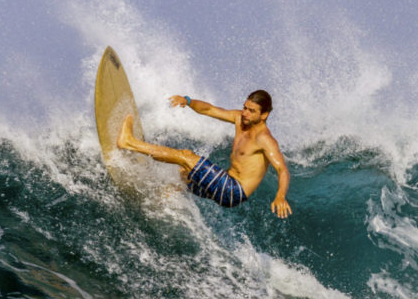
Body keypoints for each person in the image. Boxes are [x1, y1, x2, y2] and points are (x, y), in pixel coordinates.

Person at [117, 90, 291, 217]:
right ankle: (159, 201)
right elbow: (209, 110)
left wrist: (280, 196)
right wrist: (188, 100)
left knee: (185, 157)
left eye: (251, 111)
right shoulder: (240, 119)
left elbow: (282, 169)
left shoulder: (265, 139)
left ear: (264, 115)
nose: (245, 113)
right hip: (225, 182)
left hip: (233, 191)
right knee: (184, 172)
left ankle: (129, 142)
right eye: (245, 107)